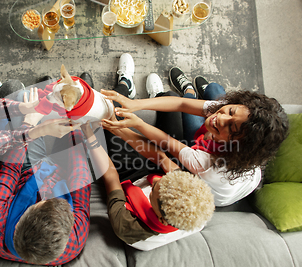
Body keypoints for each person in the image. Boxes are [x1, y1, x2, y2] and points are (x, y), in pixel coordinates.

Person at [102, 53, 289, 207]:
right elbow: (182, 104)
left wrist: (138, 123)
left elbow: (166, 142)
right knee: (188, 95)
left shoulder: (208, 165)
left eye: (231, 128)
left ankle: (191, 89)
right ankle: (192, 89)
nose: (221, 118)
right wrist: (136, 104)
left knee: (135, 128)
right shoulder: (231, 113)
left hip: (206, 180)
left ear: (236, 145)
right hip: (226, 172)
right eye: (230, 111)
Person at [0, 121, 101, 265]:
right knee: (75, 126)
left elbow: (9, 172)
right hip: (65, 174)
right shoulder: (73, 240)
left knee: (30, 114)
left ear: (21, 220)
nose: (44, 195)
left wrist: (27, 127)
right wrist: (77, 134)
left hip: (28, 172)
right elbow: (80, 180)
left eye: (41, 201)